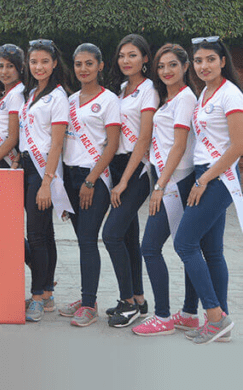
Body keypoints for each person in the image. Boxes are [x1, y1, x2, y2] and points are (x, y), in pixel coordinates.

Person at [175, 36, 242, 344]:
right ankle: (222, 325)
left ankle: (215, 316)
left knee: (185, 243)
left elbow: (238, 146)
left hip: (218, 177)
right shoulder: (204, 92)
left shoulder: (231, 95)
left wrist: (204, 180)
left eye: (210, 60)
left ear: (223, 62)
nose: (203, 65)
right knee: (212, 251)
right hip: (207, 173)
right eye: (199, 60)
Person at [133, 43, 200, 336]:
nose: (166, 71)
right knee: (188, 249)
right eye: (161, 66)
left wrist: (160, 185)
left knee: (150, 247)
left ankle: (162, 316)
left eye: (172, 65)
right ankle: (188, 314)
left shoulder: (184, 99)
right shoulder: (168, 99)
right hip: (169, 179)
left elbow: (180, 145)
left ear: (185, 67)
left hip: (176, 181)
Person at [57, 43, 120, 327]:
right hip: (70, 177)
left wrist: (91, 180)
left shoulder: (109, 100)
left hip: (94, 178)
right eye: (79, 64)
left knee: (86, 239)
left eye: (89, 64)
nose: (83, 69)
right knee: (82, 242)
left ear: (101, 66)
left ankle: (88, 303)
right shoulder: (69, 101)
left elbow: (112, 144)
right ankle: (87, 299)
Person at [103, 34, 157, 327]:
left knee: (110, 234)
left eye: (133, 55)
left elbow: (144, 139)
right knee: (127, 237)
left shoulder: (149, 90)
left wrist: (123, 181)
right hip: (118, 163)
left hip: (138, 168)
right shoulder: (123, 89)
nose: (126, 60)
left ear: (145, 59)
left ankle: (127, 301)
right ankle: (138, 298)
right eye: (122, 55)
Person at [19, 39, 72, 322]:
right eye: (34, 62)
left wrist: (45, 183)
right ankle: (48, 293)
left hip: (43, 172)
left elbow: (56, 144)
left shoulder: (58, 97)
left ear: (54, 64)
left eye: (44, 62)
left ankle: (37, 297)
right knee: (45, 234)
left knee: (37, 236)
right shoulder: (33, 94)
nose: (38, 67)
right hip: (29, 166)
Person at [0, 43, 23, 169]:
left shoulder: (17, 94)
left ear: (20, 68)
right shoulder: (3, 94)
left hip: (5, 159)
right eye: (0, 66)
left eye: (10, 66)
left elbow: (13, 137)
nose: (4, 72)